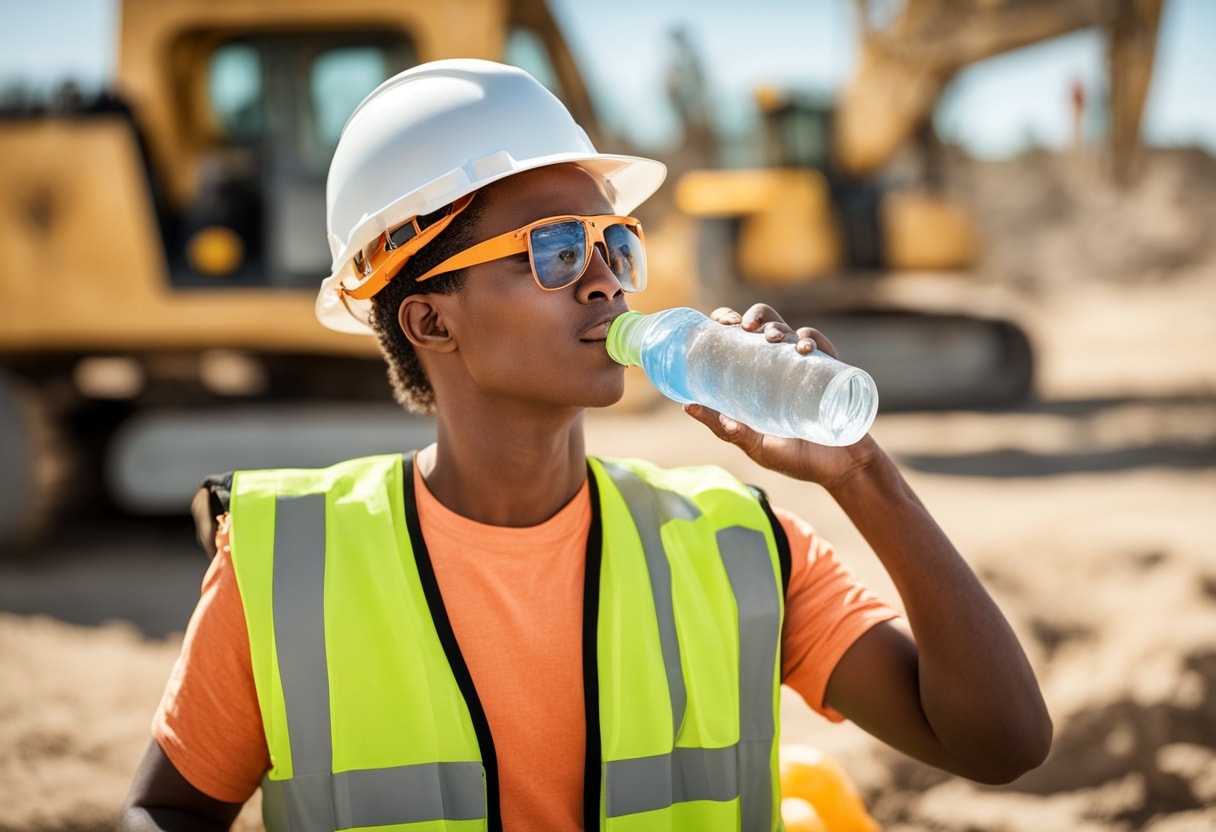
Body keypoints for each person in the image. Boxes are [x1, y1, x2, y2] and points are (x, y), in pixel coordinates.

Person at [119, 59, 1051, 831]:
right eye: (557, 249)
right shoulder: (288, 564)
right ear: (431, 320)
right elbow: (165, 814)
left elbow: (1000, 743)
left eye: (616, 244)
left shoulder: (734, 543)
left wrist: (863, 473)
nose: (607, 281)